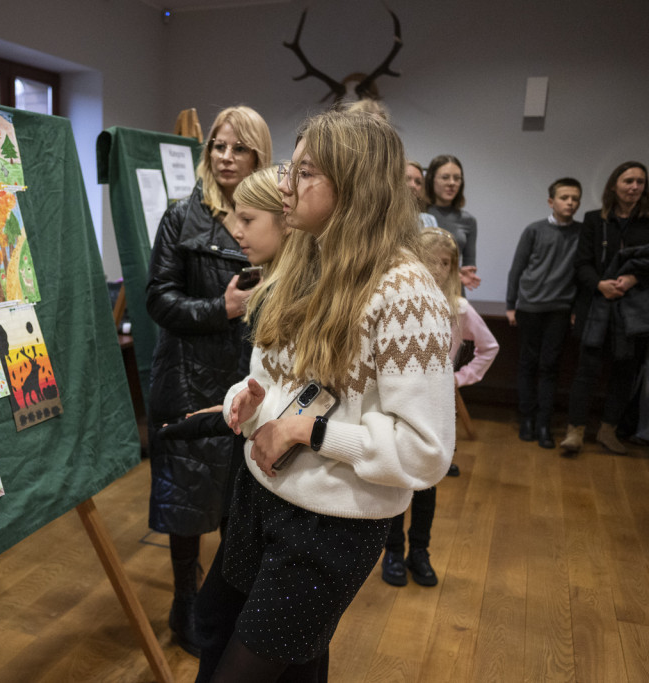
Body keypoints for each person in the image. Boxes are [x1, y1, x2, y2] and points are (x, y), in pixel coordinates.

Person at [207, 110, 455, 682]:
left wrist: (312, 431)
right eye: (289, 169)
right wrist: (240, 405)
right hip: (260, 493)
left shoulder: (404, 290)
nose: (285, 185)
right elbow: (267, 380)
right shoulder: (302, 260)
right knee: (259, 649)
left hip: (330, 527)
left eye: (305, 172)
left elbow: (426, 450)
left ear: (354, 184)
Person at [145, 105, 272, 654]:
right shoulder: (181, 218)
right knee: (187, 504)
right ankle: (184, 605)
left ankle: (221, 604)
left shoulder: (276, 223)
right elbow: (158, 300)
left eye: (238, 148)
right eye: (218, 146)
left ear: (257, 156)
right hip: (190, 380)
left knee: (236, 502)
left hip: (251, 382)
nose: (225, 156)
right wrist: (220, 308)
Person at [381, 227, 498, 589]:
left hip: (436, 405)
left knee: (427, 483)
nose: (436, 269)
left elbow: (489, 347)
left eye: (444, 263)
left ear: (453, 268)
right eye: (428, 261)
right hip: (398, 402)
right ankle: (393, 551)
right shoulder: (399, 302)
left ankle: (420, 551)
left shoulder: (457, 308)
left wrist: (458, 379)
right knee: (395, 479)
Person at [561, 162, 649, 456]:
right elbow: (581, 264)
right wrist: (600, 284)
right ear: (615, 185)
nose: (634, 187)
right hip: (595, 307)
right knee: (585, 372)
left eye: (640, 182)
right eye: (628, 181)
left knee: (624, 374)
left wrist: (635, 278)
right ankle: (574, 432)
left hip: (633, 313)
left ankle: (608, 432)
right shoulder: (593, 220)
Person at [505, 178, 584, 449]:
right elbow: (517, 268)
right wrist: (510, 305)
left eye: (575, 198)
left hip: (559, 310)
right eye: (564, 197)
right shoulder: (534, 230)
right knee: (527, 363)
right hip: (529, 307)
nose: (570, 202)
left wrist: (576, 310)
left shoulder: (582, 233)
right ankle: (526, 419)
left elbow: (582, 275)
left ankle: (543, 423)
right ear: (552, 202)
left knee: (550, 367)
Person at [425, 154, 480, 291]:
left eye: (457, 178)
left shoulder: (468, 221)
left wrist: (463, 274)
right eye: (445, 177)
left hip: (454, 292)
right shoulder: (419, 215)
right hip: (423, 289)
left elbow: (469, 266)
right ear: (432, 180)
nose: (452, 183)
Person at [406, 160, 438, 228]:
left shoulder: (429, 220)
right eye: (407, 179)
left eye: (418, 182)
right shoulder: (382, 216)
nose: (413, 185)